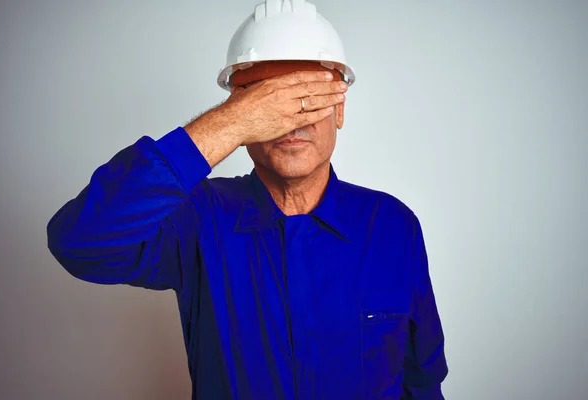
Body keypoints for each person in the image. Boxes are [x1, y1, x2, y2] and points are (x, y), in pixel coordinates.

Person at [46, 0, 448, 398]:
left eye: (308, 97)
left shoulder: (393, 225)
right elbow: (80, 243)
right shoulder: (198, 218)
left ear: (339, 109)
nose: (292, 120)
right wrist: (230, 123)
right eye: (270, 101)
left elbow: (422, 380)